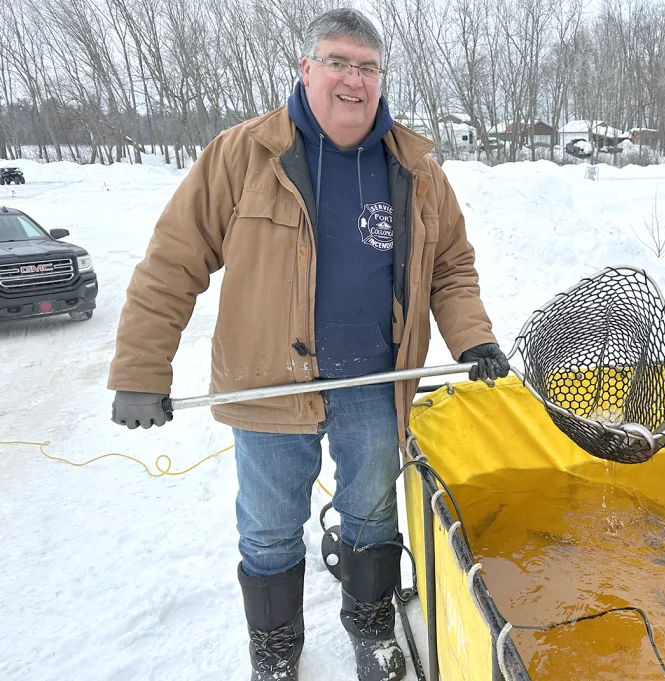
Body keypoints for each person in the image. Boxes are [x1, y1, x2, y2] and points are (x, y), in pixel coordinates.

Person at [107, 8, 509, 681]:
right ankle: (274, 650)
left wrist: (473, 338)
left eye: (368, 67)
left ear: (381, 78)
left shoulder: (416, 170)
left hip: (374, 385)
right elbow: (172, 263)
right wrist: (140, 371)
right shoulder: (242, 155)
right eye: (338, 62)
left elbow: (451, 268)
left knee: (373, 514)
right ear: (306, 69)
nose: (354, 79)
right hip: (270, 383)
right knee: (269, 527)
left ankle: (372, 627)